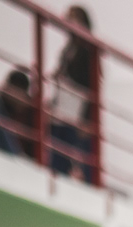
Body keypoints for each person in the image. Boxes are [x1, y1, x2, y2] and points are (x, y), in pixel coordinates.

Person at [49, 6, 97, 182]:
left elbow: (92, 87)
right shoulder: (67, 50)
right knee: (57, 152)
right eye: (68, 17)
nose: (70, 21)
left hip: (77, 112)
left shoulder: (89, 51)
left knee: (78, 155)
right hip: (62, 108)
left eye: (74, 18)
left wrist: (87, 119)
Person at [0, 69, 36, 159]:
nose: (13, 92)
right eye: (12, 85)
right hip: (2, 152)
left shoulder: (29, 115)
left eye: (18, 89)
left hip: (12, 156)